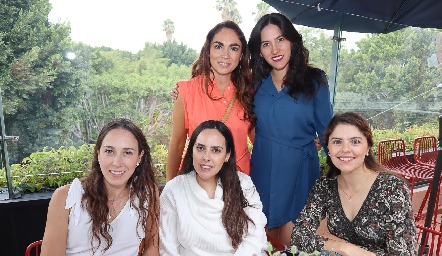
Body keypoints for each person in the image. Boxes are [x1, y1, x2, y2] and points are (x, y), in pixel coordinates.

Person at [247, 13, 333, 246]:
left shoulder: (315, 81)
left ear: (293, 41)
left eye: (280, 39)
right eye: (266, 43)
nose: (275, 49)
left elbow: (328, 133)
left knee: (290, 245)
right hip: (262, 170)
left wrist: (353, 173)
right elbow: (247, 125)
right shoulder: (253, 85)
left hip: (300, 173)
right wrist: (182, 93)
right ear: (260, 50)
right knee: (261, 244)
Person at [291, 112, 417, 256]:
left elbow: (405, 253)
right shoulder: (324, 187)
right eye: (337, 142)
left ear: (367, 148)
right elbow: (299, 237)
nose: (345, 149)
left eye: (355, 141)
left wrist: (334, 243)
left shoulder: (392, 189)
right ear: (329, 150)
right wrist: (346, 248)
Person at [41, 118, 160, 256]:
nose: (117, 162)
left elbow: (152, 248)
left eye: (127, 153)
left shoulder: (148, 193)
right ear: (98, 154)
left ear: (140, 157)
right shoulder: (66, 197)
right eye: (109, 151)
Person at [159, 120, 267, 255]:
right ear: (191, 151)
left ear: (227, 155)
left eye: (216, 150)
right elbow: (168, 249)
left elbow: (255, 239)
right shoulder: (173, 190)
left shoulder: (244, 185)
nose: (206, 157)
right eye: (200, 148)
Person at [166, 20, 255, 181]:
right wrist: (170, 191)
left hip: (239, 185)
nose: (225, 55)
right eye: (218, 46)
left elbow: (262, 141)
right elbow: (177, 145)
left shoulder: (248, 93)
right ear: (208, 50)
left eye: (233, 48)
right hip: (197, 186)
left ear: (241, 55)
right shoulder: (186, 92)